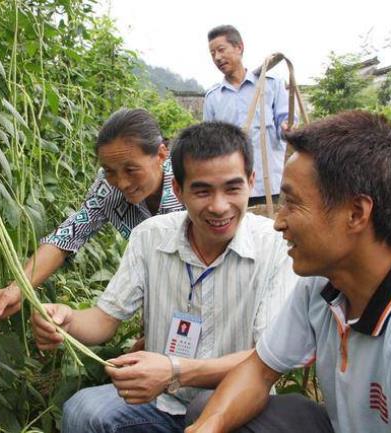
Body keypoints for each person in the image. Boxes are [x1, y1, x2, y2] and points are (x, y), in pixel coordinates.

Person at [186, 111, 391, 433]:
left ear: (356, 213)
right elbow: (259, 371)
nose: (279, 221)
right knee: (209, 411)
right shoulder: (324, 281)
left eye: (292, 202)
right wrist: (208, 428)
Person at [32, 122, 298, 433]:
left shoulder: (276, 247)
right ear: (179, 190)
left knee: (206, 408)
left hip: (238, 403)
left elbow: (269, 359)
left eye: (232, 188)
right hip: (161, 400)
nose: (218, 206)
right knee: (83, 411)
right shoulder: (150, 237)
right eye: (201, 191)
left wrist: (174, 370)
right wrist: (67, 321)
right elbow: (104, 320)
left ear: (251, 182)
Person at [0, 108, 184, 335]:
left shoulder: (193, 184)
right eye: (110, 171)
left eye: (131, 170)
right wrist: (17, 289)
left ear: (161, 155)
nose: (121, 182)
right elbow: (68, 235)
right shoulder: (108, 190)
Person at [204, 24, 291, 206]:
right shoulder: (213, 97)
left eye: (221, 50)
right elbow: (209, 145)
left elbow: (285, 124)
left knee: (273, 232)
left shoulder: (271, 84)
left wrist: (287, 128)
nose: (217, 58)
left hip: (271, 185)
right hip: (232, 187)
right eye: (212, 54)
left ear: (239, 47)